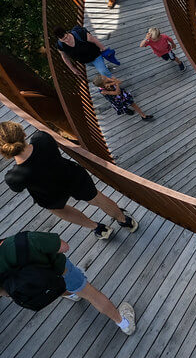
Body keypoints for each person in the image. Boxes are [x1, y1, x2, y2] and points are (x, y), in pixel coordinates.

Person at [0, 122, 139, 240]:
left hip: (50, 194)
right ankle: (125, 221)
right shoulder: (41, 138)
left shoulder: (13, 177)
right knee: (97, 198)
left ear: (4, 151)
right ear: (22, 134)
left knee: (59, 210)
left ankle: (99, 229)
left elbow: (17, 188)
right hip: (71, 176)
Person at [0, 230, 135, 334]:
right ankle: (124, 323)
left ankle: (72, 294)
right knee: (92, 295)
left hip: (38, 289)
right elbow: (64, 247)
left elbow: (4, 293)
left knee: (50, 286)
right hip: (62, 272)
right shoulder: (23, 241)